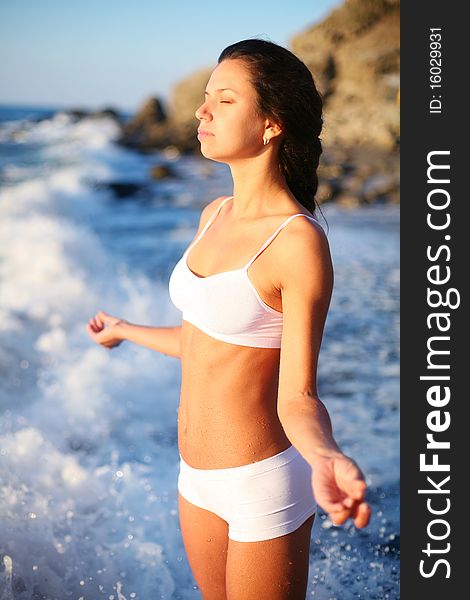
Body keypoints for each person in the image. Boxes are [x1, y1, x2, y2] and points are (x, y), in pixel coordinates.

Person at [86, 38, 372, 600]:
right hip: (194, 479)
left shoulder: (297, 242)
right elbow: (206, 342)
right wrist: (125, 329)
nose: (201, 110)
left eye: (225, 99)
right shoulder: (212, 214)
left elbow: (299, 395)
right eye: (205, 98)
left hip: (259, 483)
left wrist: (326, 455)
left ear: (271, 124)